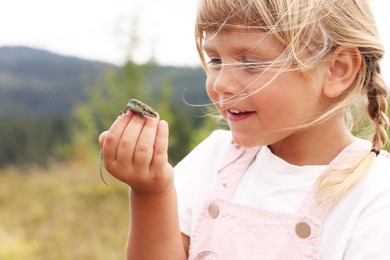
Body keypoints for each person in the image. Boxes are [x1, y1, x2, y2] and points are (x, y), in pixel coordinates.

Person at [98, 0, 390, 259]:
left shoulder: (376, 196)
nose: (220, 83)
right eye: (215, 60)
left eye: (250, 62)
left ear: (337, 70)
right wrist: (151, 193)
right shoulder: (213, 159)